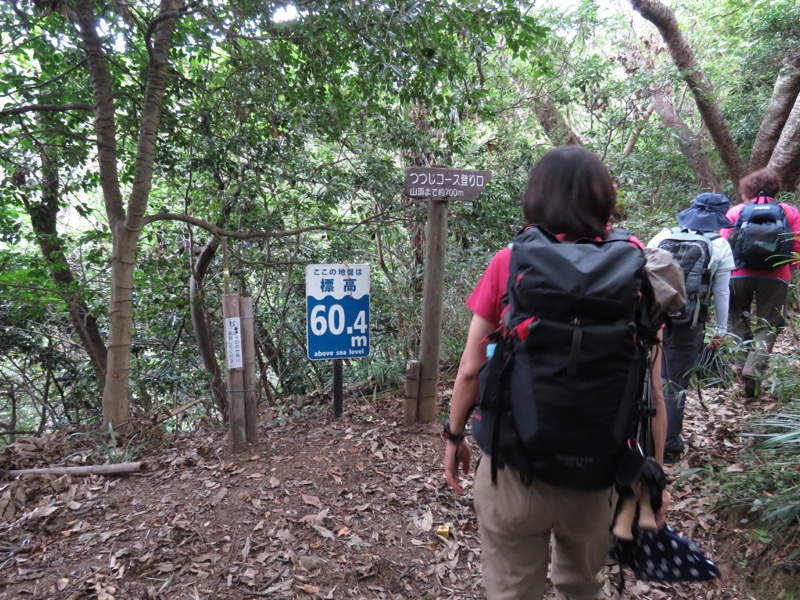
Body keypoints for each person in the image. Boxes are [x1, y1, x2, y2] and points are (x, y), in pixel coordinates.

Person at [443, 146, 669, 600]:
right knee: (583, 585)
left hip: (513, 467)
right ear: (605, 198)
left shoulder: (510, 261)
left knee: (512, 589)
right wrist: (653, 476)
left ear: (536, 198)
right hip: (598, 472)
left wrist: (453, 438)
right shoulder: (636, 267)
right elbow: (653, 391)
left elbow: (470, 371)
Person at [647, 193, 735, 463]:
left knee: (649, 377)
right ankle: (670, 445)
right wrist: (721, 331)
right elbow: (721, 293)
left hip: (652, 316)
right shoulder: (719, 244)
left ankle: (643, 439)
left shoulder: (662, 235)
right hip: (690, 321)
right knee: (674, 382)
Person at [720, 168, 800, 398]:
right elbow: (796, 245)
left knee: (738, 319)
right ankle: (753, 368)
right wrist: (788, 269)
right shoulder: (789, 211)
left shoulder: (737, 211)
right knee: (770, 324)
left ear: (748, 189)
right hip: (776, 275)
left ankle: (739, 365)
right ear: (776, 188)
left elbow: (724, 243)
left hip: (738, 274)